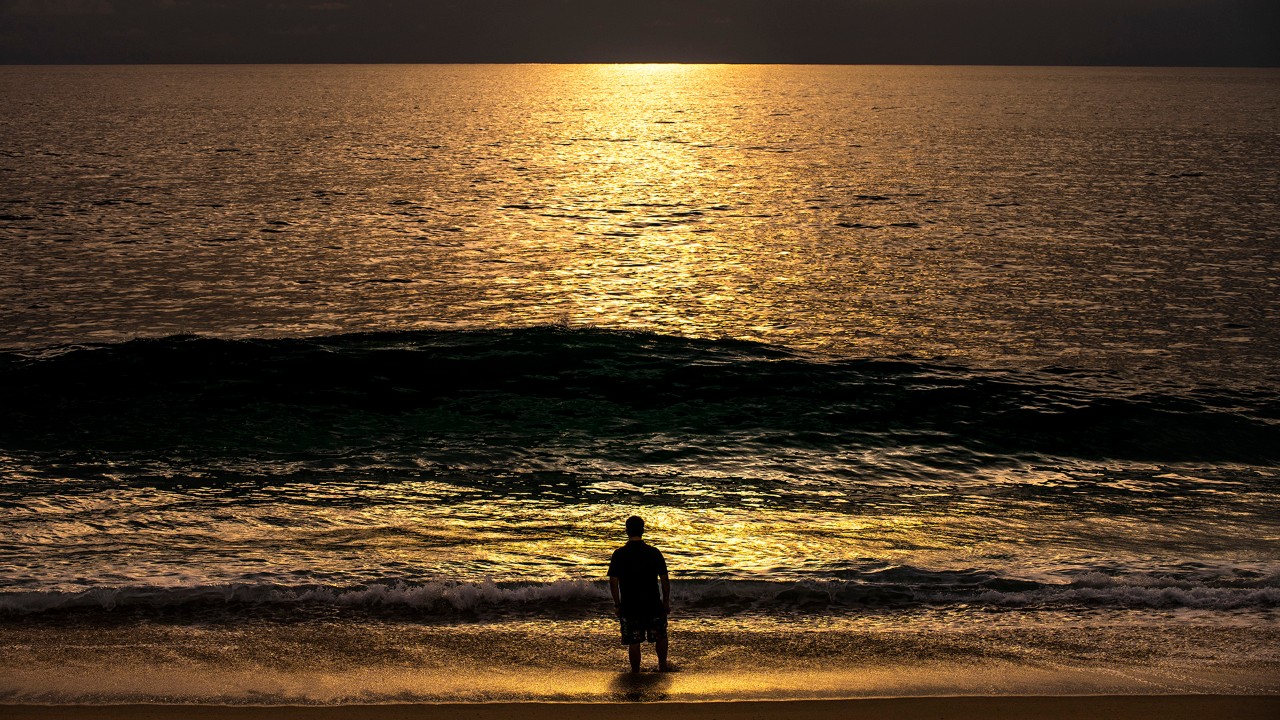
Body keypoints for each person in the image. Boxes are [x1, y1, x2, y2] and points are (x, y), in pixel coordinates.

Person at [607, 515, 671, 672]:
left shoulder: (619, 554)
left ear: (626, 531)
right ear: (643, 530)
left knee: (633, 642)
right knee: (661, 636)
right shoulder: (654, 552)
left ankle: (635, 670)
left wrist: (617, 604)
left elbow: (613, 582)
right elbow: (664, 580)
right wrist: (666, 602)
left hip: (630, 604)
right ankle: (662, 665)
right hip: (653, 602)